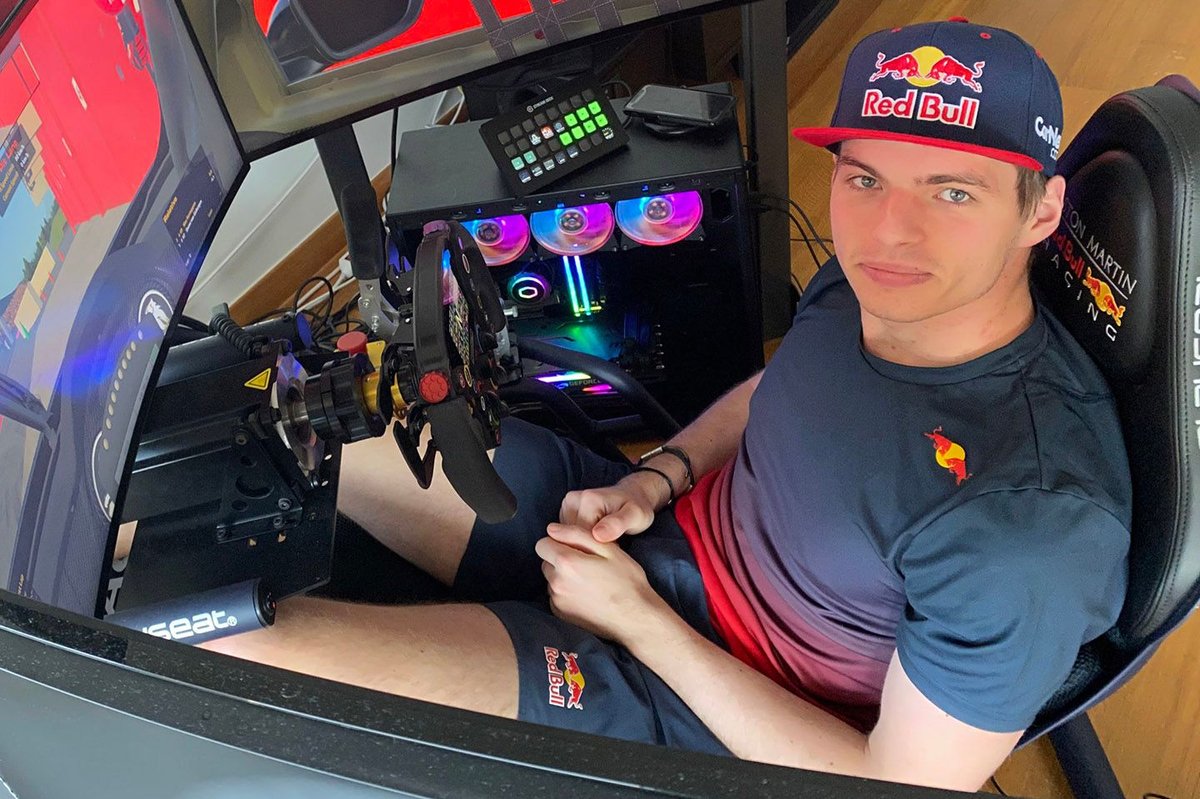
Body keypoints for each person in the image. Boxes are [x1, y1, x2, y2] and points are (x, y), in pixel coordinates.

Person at [201, 18, 1131, 792]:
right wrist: (657, 476)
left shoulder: (1031, 527)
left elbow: (891, 785)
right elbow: (781, 391)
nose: (890, 229)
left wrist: (641, 620)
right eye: (865, 177)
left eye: (952, 191)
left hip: (697, 699)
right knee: (266, 426)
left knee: (228, 654)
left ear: (1042, 210)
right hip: (644, 532)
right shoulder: (878, 289)